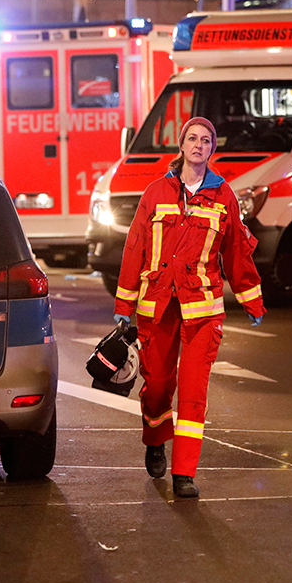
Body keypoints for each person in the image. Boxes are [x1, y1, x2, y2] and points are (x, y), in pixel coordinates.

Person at [112, 116, 265, 499]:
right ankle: (155, 439)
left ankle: (185, 472)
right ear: (181, 146)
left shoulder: (223, 195)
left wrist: (252, 299)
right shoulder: (155, 192)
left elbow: (236, 252)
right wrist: (124, 304)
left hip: (202, 309)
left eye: (206, 140)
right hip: (158, 305)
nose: (199, 145)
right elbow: (135, 248)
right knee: (158, 386)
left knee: (193, 392)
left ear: (213, 149)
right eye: (192, 139)